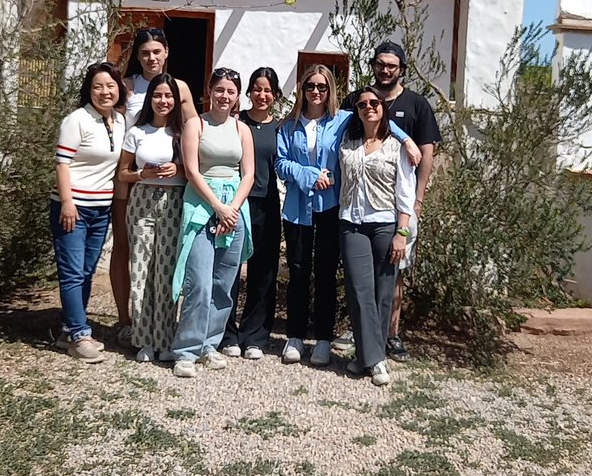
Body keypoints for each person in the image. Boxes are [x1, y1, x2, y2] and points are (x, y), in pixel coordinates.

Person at [277, 65, 418, 368]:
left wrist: (407, 140)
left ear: (330, 90)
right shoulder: (289, 125)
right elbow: (281, 163)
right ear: (302, 90)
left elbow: (379, 121)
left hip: (331, 208)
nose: (316, 92)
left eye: (322, 87)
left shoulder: (342, 119)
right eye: (310, 86)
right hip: (298, 209)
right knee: (298, 271)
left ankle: (323, 339)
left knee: (326, 273)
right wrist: (308, 174)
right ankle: (295, 336)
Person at [342, 41, 440, 361]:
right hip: (359, 210)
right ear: (373, 65)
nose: (385, 70)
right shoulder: (358, 99)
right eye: (380, 64)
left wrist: (418, 201)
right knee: (361, 276)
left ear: (402, 70)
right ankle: (363, 332)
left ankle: (390, 334)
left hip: (401, 206)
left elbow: (426, 155)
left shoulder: (417, 104)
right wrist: (404, 136)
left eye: (391, 65)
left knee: (393, 273)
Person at [112, 27, 197, 345]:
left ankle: (162, 325)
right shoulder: (127, 87)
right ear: (137, 55)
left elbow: (193, 128)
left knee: (164, 254)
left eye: (157, 52)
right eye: (145, 53)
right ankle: (127, 321)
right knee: (126, 249)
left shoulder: (179, 87)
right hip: (132, 176)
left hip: (170, 182)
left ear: (166, 53)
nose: (151, 58)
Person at [170, 68, 255, 378]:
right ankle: (186, 350)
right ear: (209, 91)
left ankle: (210, 344)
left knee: (223, 284)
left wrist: (232, 210)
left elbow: (248, 174)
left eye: (231, 91)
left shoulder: (241, 129)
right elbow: (192, 170)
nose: (224, 96)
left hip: (234, 210)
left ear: (237, 96)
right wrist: (218, 207)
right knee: (200, 283)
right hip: (202, 207)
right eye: (219, 89)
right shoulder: (196, 124)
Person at [338, 86, 415, 387]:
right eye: (362, 104)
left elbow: (406, 192)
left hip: (385, 225)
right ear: (356, 111)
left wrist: (402, 233)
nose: (369, 107)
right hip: (352, 223)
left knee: (383, 293)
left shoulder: (397, 146)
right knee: (359, 291)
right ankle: (375, 357)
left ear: (383, 107)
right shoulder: (348, 142)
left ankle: (368, 357)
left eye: (374, 103)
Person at [51, 62, 126, 363]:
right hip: (73, 207)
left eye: (110, 86)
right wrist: (67, 202)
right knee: (72, 272)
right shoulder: (76, 120)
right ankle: (80, 335)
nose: (104, 92)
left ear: (119, 89)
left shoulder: (120, 121)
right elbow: (62, 163)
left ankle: (68, 330)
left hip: (101, 208)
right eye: (98, 86)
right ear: (88, 90)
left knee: (86, 271)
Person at [117, 73, 185, 363]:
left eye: (168, 96)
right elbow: (123, 173)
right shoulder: (137, 132)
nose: (163, 101)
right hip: (142, 200)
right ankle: (143, 338)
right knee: (142, 267)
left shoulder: (182, 133)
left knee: (166, 270)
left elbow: (194, 170)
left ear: (176, 100)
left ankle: (165, 338)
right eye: (158, 95)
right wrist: (142, 174)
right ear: (150, 99)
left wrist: (178, 170)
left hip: (173, 201)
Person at [222, 67, 282, 360]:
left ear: (276, 95)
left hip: (267, 205)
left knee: (264, 272)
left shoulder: (281, 128)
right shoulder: (235, 122)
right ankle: (227, 333)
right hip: (236, 203)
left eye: (268, 90)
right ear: (248, 92)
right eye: (257, 89)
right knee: (229, 269)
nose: (262, 95)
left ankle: (255, 335)